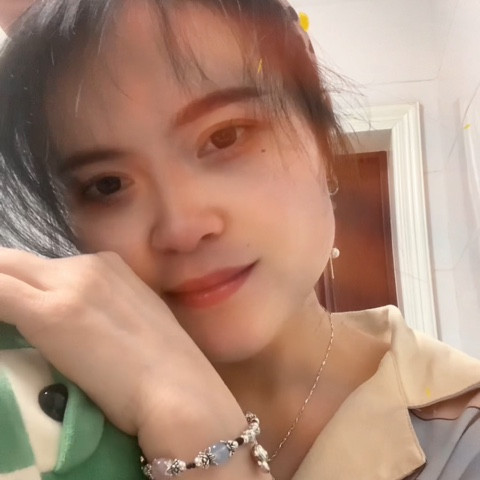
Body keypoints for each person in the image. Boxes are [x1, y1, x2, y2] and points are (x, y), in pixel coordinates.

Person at [0, 1, 479, 479]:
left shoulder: (462, 433)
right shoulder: (47, 420)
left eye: (226, 136)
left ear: (315, 113)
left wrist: (198, 437)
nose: (181, 228)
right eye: (107, 185)